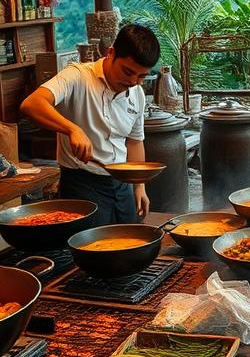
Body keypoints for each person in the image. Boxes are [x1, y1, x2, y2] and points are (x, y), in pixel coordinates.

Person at [20, 23, 160, 225]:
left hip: (123, 184)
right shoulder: (78, 76)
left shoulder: (137, 93)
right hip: (83, 183)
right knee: (92, 250)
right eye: (128, 72)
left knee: (130, 244)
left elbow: (134, 142)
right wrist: (72, 129)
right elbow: (32, 104)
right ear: (111, 53)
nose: (133, 81)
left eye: (141, 76)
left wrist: (139, 186)